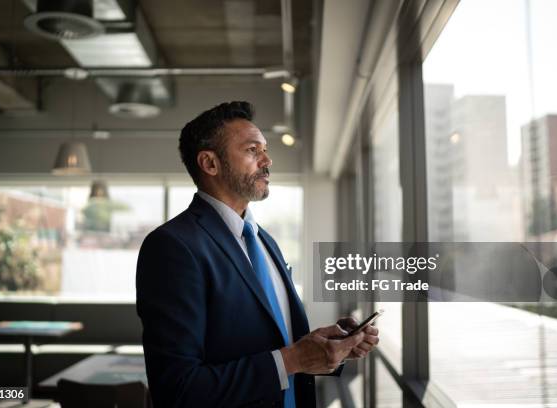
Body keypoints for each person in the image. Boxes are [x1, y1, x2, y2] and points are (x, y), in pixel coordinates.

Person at [136, 101, 379, 407]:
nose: (267, 160)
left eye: (264, 149)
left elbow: (276, 345)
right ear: (210, 163)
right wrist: (291, 360)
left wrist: (329, 348)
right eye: (253, 150)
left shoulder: (266, 242)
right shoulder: (173, 246)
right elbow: (178, 389)